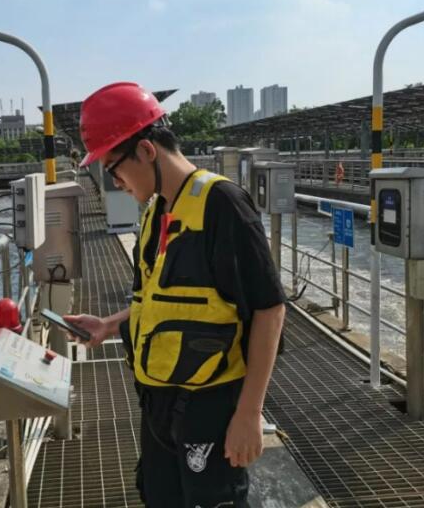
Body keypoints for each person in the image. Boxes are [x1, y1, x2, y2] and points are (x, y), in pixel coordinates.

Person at [64, 82, 286, 507]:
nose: (114, 182)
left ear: (146, 150)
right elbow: (163, 302)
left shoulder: (223, 205)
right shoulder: (156, 213)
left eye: (113, 169)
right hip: (158, 405)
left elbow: (270, 309)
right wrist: (108, 325)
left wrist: (249, 413)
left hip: (210, 405)